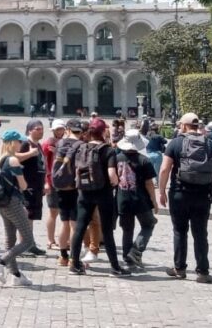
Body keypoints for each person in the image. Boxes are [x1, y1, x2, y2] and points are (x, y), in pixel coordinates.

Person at [159, 112, 212, 284]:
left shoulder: (175, 143)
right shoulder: (210, 144)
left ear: (183, 126)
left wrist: (161, 191)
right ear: (197, 126)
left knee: (179, 231)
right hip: (202, 195)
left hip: (179, 194)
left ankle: (180, 268)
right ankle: (203, 271)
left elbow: (164, 169)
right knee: (200, 233)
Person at [69, 118, 131, 277]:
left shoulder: (82, 147)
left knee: (80, 228)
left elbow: (77, 170)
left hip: (84, 192)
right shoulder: (108, 150)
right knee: (107, 230)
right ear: (103, 131)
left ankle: (74, 264)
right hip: (103, 194)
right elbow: (111, 173)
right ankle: (115, 268)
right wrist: (115, 183)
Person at [0, 130, 36, 286]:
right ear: (12, 143)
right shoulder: (13, 160)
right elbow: (23, 185)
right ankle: (0, 262)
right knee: (28, 240)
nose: (21, 144)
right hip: (14, 202)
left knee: (11, 239)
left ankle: (16, 275)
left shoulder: (0, 159)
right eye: (19, 141)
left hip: (2, 203)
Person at [116, 130, 158, 269]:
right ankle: (136, 250)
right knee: (149, 224)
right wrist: (154, 201)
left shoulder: (117, 158)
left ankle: (127, 259)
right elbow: (149, 184)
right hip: (141, 200)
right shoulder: (144, 160)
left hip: (122, 199)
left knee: (127, 230)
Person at [52, 119, 83, 267]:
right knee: (74, 224)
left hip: (60, 187)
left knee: (64, 223)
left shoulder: (60, 144)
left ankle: (62, 257)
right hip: (75, 187)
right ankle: (73, 258)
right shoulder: (81, 145)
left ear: (67, 130)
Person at [15, 119, 47, 256]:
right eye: (37, 129)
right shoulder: (25, 144)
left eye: (42, 129)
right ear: (30, 130)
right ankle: (24, 244)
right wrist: (30, 153)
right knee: (26, 215)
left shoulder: (37, 145)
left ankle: (29, 243)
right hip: (27, 186)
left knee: (32, 215)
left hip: (37, 185)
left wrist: (45, 182)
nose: (41, 131)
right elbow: (14, 158)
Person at [41, 118, 66, 250]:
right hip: (52, 180)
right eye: (58, 129)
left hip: (64, 180)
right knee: (53, 211)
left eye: (62, 129)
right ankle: (50, 240)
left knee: (63, 212)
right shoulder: (48, 143)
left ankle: (62, 238)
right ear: (53, 131)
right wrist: (45, 182)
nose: (60, 131)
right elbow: (44, 164)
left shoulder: (64, 142)